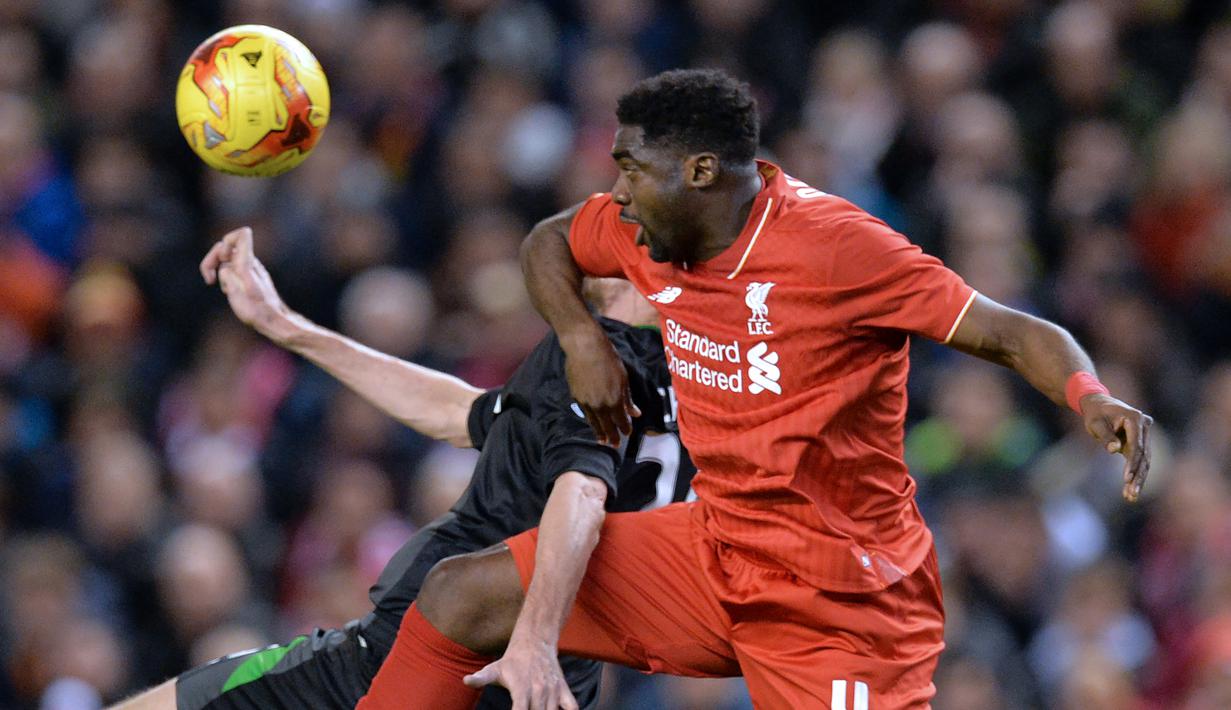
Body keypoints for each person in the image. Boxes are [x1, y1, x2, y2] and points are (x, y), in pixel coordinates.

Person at [357, 69, 1152, 710]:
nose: (618, 193)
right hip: (715, 550)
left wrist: (1089, 395)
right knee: (461, 594)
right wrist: (579, 341)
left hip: (839, 602)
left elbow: (1009, 330)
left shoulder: (838, 249)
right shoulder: (645, 231)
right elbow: (546, 244)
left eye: (630, 168)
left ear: (700, 171)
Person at [111, 226, 695, 710]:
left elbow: (582, 495)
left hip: (433, 655)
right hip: (556, 682)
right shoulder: (704, 389)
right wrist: (286, 325)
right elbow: (456, 411)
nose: (587, 235)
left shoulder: (590, 356)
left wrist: (534, 637)